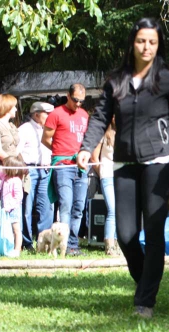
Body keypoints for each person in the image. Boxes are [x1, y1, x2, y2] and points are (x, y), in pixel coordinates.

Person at [77, 18, 169, 319]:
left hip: (161, 160)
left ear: (158, 45)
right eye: (142, 41)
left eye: (152, 42)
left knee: (154, 232)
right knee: (126, 235)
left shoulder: (167, 78)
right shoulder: (115, 81)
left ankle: (145, 301)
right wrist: (84, 147)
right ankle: (146, 281)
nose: (147, 47)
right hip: (125, 162)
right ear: (133, 42)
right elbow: (100, 117)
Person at [42, 83, 89, 256]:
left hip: (81, 167)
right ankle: (63, 245)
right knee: (66, 206)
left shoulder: (84, 115)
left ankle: (72, 244)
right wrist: (60, 151)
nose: (78, 104)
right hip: (62, 166)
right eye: (75, 100)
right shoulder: (56, 113)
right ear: (68, 96)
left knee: (79, 207)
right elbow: (45, 138)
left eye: (82, 101)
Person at [18, 101, 55, 251]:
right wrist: (23, 168)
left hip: (45, 170)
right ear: (37, 114)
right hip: (29, 170)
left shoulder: (48, 130)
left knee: (46, 207)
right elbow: (17, 151)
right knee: (26, 207)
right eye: (47, 113)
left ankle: (44, 242)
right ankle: (26, 243)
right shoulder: (24, 129)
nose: (50, 116)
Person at [0, 93, 22, 244]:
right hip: (0, 171)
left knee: (14, 208)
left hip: (15, 172)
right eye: (13, 106)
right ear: (7, 107)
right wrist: (13, 164)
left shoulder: (13, 126)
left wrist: (21, 168)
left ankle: (11, 242)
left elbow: (17, 148)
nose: (15, 109)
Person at [0, 156, 28, 257]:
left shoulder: (16, 181)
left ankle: (17, 250)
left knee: (16, 230)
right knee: (7, 230)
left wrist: (9, 207)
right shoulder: (4, 177)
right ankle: (7, 247)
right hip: (5, 210)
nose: (2, 168)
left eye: (5, 166)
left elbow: (18, 198)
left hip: (14, 209)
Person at [90, 119, 118, 256]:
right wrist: (101, 172)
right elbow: (94, 157)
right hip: (107, 175)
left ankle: (119, 244)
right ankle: (109, 246)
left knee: (121, 211)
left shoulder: (127, 132)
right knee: (112, 209)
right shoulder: (103, 133)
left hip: (123, 176)